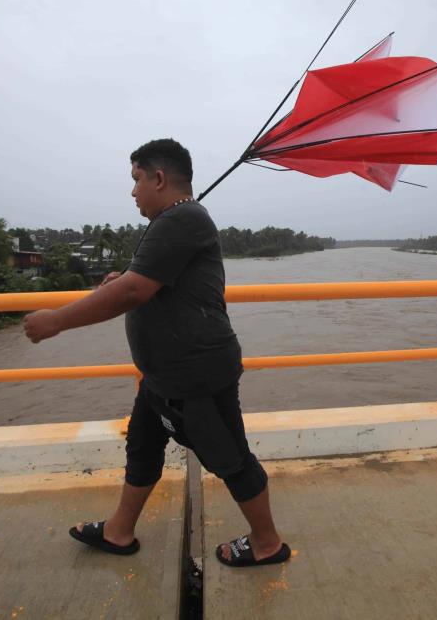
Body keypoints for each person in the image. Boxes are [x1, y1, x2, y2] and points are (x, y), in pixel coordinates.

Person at [23, 138, 290, 567]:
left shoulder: (183, 218)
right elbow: (146, 279)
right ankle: (118, 532)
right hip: (161, 376)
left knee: (231, 459)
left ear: (159, 178)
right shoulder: (174, 220)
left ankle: (267, 544)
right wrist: (123, 278)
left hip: (195, 376)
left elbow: (135, 290)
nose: (132, 192)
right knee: (143, 449)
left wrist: (57, 320)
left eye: (136, 180)